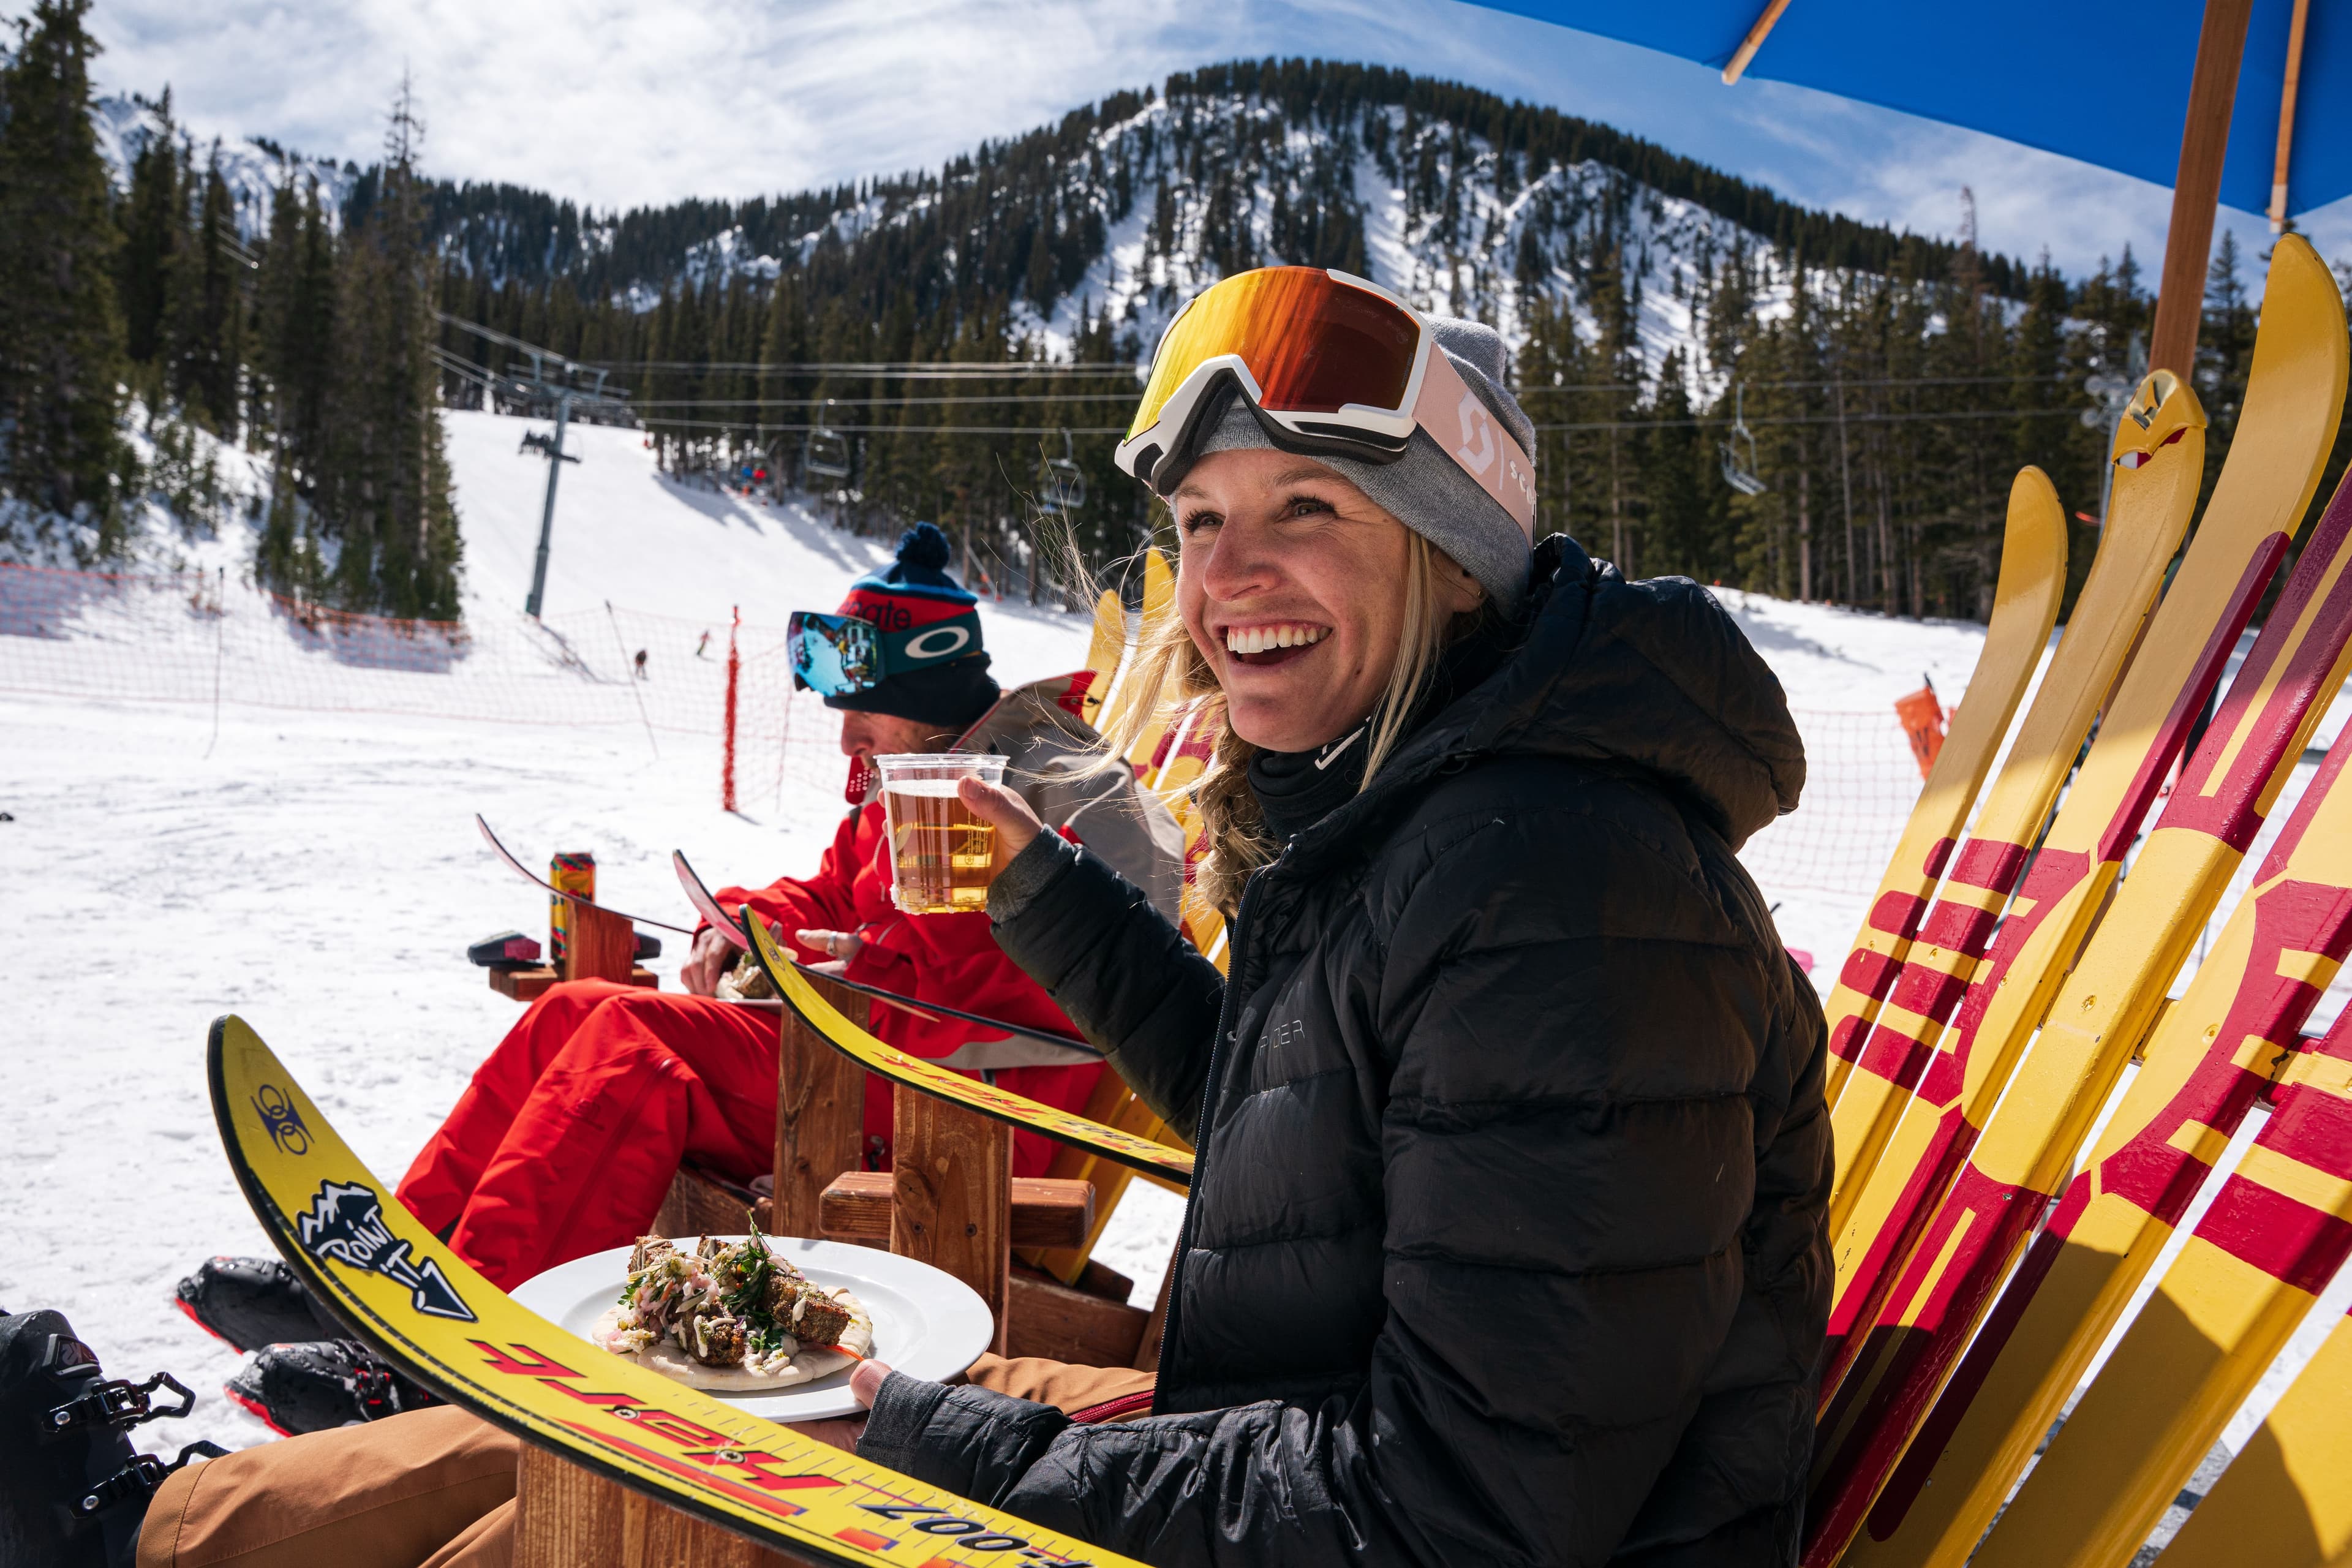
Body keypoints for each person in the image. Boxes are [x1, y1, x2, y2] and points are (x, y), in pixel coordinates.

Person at [107, 271, 1823, 1567]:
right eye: (1204, 521)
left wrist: (950, 1450)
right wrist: (1035, 883)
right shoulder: (1433, 823)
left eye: (1307, 509)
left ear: (1457, 557)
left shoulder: (1556, 891)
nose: (1228, 581)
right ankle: (174, 1529)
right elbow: (1274, 1099)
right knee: (680, 1393)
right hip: (1279, 1439)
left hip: (1355, 1500)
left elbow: (1468, 1514)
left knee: (715, 1472)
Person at [176, 522, 1183, 1436]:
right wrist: (750, 918)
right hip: (866, 1056)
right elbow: (837, 890)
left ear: (918, 696)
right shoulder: (932, 763)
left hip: (951, 1112)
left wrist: (828, 965)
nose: (844, 740)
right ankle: (382, 1275)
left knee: (636, 1049)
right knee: (575, 1008)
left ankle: (446, 1360)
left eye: (862, 718)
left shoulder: (1034, 782)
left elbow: (998, 982)